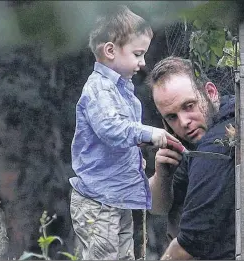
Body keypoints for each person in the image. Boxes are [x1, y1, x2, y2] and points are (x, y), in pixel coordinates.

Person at [69, 5, 179, 260]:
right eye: (138, 54)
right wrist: (149, 134)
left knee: (125, 256)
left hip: (118, 196)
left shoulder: (121, 90)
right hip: (98, 200)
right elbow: (111, 128)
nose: (143, 63)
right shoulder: (99, 89)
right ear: (110, 51)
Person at [147, 56, 236, 260]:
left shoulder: (219, 140)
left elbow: (189, 244)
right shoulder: (194, 142)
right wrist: (163, 176)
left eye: (189, 106)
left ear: (211, 93)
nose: (184, 122)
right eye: (172, 117)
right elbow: (156, 207)